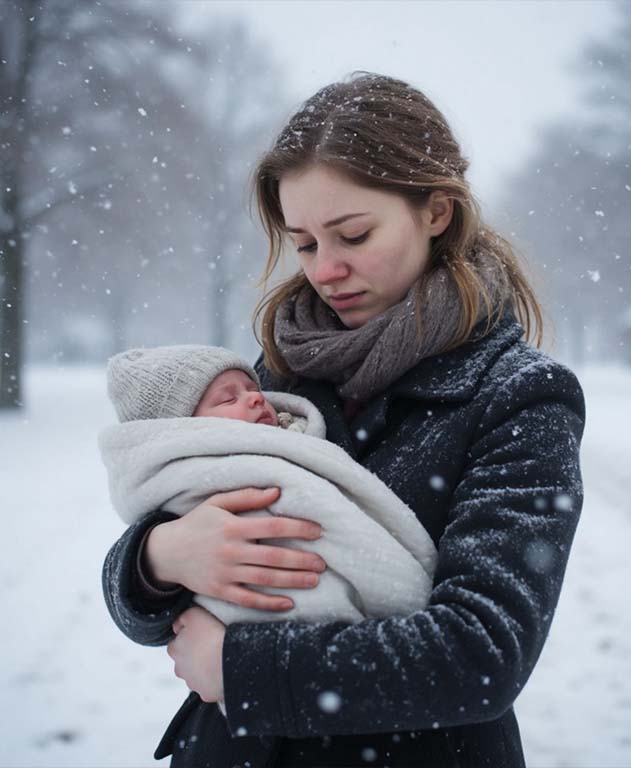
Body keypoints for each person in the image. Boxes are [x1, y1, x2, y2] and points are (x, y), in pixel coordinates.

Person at [102, 71, 586, 768]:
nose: (325, 270)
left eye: (352, 234)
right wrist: (156, 560)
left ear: (437, 212)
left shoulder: (521, 398)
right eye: (303, 243)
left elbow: (483, 652)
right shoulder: (279, 375)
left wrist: (242, 670)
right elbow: (153, 547)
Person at [99, 342, 437, 628]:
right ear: (183, 430)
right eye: (228, 399)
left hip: (345, 654)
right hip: (294, 635)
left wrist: (231, 660)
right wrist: (155, 558)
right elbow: (140, 607)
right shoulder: (286, 354)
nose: (257, 398)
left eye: (253, 389)